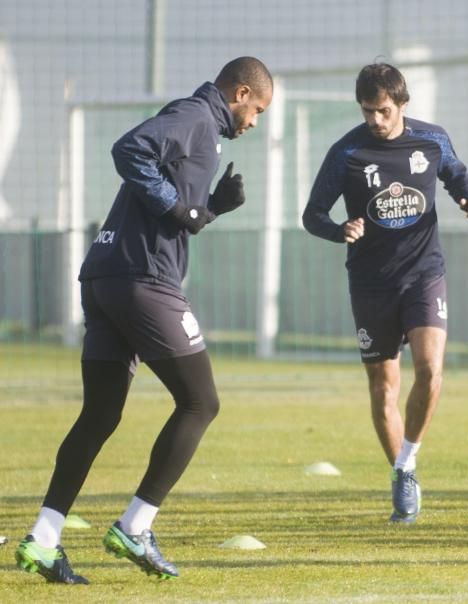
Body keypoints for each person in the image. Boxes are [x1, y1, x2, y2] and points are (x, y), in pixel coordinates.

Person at [14, 57, 273, 583]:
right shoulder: (197, 115)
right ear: (241, 93)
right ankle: (136, 525)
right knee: (201, 402)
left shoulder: (202, 128)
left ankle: (43, 538)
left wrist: (210, 209)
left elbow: (174, 207)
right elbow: (129, 149)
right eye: (259, 110)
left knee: (100, 415)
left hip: (107, 276)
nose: (256, 122)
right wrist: (182, 211)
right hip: (143, 281)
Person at [302, 63, 468, 524]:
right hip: (370, 283)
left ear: (401, 104)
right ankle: (402, 472)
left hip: (424, 273)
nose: (376, 121)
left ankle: (408, 459)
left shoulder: (431, 139)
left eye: (383, 111)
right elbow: (312, 214)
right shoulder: (346, 152)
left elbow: (457, 175)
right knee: (384, 386)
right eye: (368, 112)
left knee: (430, 370)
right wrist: (338, 229)